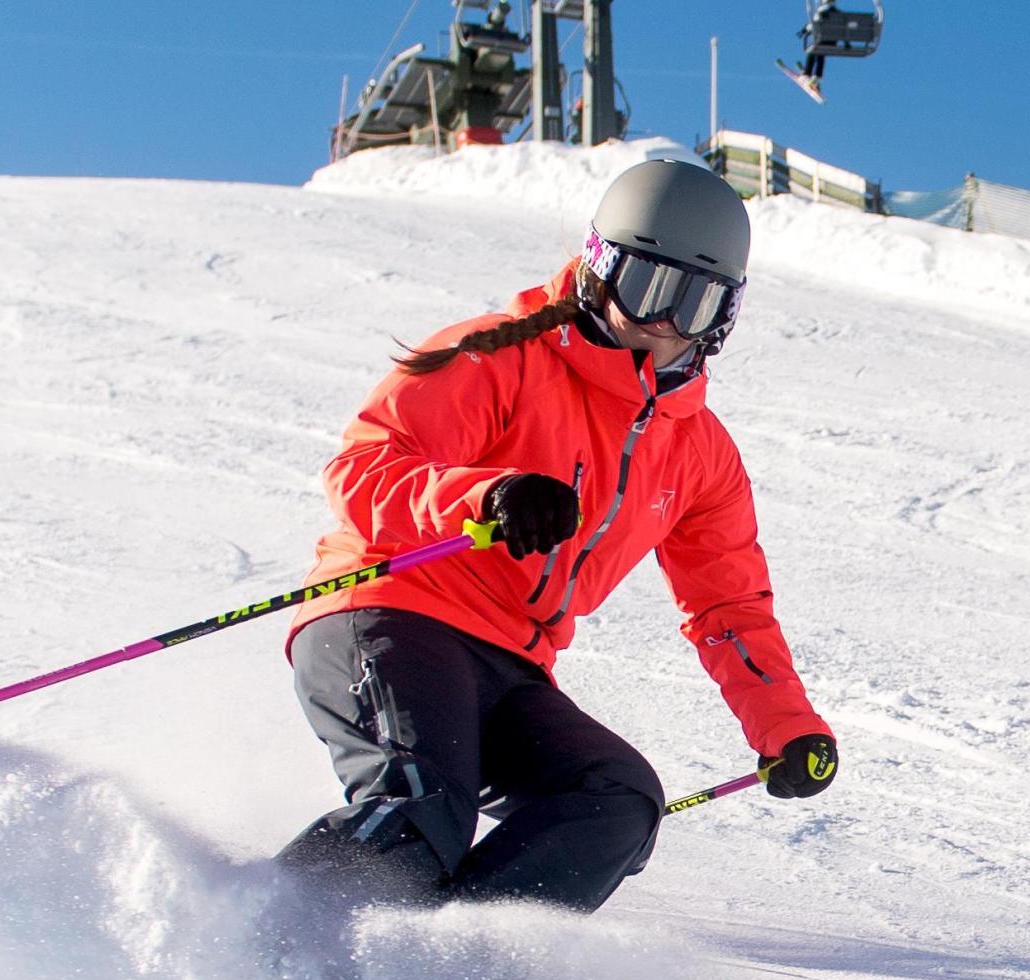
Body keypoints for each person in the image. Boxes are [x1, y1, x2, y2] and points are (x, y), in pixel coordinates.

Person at [275, 159, 838, 933]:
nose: (665, 321)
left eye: (697, 301)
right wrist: (485, 496)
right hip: (390, 612)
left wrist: (785, 725)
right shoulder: (498, 355)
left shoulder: (699, 451)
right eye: (647, 286)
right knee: (422, 811)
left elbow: (729, 603)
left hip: (510, 662)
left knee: (615, 800)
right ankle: (264, 947)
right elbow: (365, 466)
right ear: (600, 267)